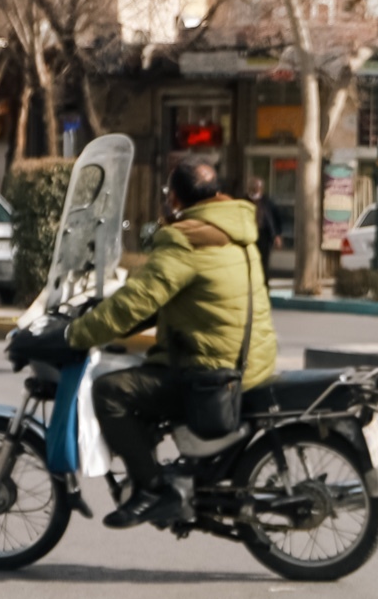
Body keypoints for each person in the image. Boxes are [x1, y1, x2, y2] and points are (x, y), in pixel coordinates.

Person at [68, 159, 273, 529]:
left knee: (111, 391)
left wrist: (76, 334)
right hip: (249, 359)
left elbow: (138, 301)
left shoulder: (187, 239)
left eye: (167, 193)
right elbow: (170, 297)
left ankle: (151, 489)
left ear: (175, 197)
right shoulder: (234, 228)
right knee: (144, 377)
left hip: (212, 369)